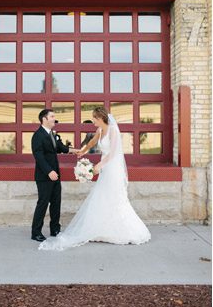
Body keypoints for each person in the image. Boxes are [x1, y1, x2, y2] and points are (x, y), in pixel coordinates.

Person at [38, 106, 150, 250]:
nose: (93, 121)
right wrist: (82, 151)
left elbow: (113, 152)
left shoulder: (113, 130)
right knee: (102, 196)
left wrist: (99, 165)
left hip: (112, 167)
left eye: (94, 118)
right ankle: (102, 229)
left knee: (115, 197)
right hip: (104, 167)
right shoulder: (99, 130)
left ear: (100, 118)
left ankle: (122, 230)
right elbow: (91, 143)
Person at [30, 108, 78, 242]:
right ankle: (36, 232)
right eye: (52, 116)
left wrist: (75, 151)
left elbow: (60, 147)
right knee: (43, 203)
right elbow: (38, 156)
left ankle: (55, 229)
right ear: (44, 119)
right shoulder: (37, 135)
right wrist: (49, 171)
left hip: (55, 175)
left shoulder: (52, 134)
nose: (54, 119)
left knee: (56, 203)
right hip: (44, 176)